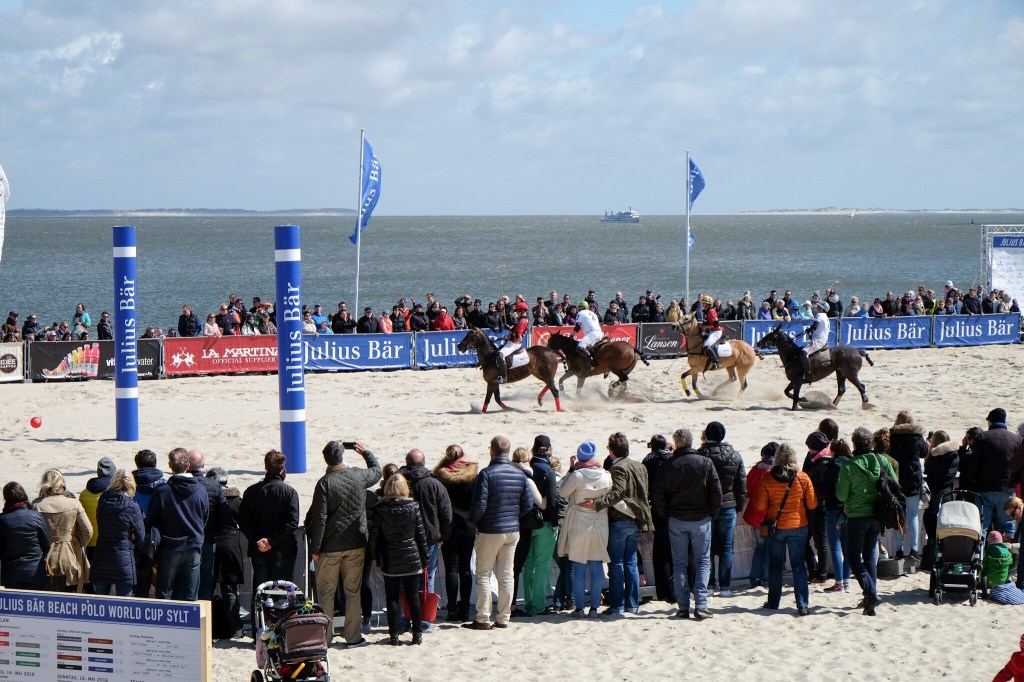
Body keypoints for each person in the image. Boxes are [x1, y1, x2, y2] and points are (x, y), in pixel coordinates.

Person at [305, 440, 381, 647]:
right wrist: (367, 453)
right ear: (342, 456)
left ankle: (325, 638)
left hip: (330, 547)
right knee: (352, 592)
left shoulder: (324, 483)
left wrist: (315, 549)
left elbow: (319, 519)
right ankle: (353, 637)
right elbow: (377, 471)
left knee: (326, 593)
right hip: (355, 544)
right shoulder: (357, 475)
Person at [463, 436, 533, 631]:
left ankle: (483, 618)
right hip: (512, 529)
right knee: (506, 575)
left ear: (492, 452)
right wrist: (512, 516)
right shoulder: (520, 474)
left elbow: (479, 506)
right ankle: (503, 618)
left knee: (484, 574)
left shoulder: (486, 474)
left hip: (490, 529)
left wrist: (474, 522)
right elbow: (527, 504)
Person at [651, 428, 722, 620]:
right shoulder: (704, 462)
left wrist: (666, 513)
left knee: (680, 564)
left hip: (678, 519)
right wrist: (711, 513)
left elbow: (657, 494)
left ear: (675, 444)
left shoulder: (668, 465)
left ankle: (683, 606)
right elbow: (716, 491)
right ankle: (700, 605)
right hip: (699, 519)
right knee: (702, 562)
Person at [578, 433, 651, 615]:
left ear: (611, 451)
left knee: (617, 563)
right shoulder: (640, 466)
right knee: (631, 562)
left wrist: (597, 504)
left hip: (620, 520)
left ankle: (618, 605)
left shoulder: (618, 468)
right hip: (637, 520)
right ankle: (632, 604)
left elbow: (617, 493)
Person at [836, 426, 897, 616]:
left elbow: (840, 495)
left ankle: (870, 593)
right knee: (870, 555)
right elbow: (895, 484)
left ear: (854, 444)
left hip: (856, 516)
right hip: (877, 514)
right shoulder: (881, 460)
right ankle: (871, 596)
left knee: (854, 558)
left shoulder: (848, 466)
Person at [753, 443, 818, 615]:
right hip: (798, 526)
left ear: (777, 458)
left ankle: (774, 602)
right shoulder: (802, 477)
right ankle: (802, 604)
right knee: (798, 566)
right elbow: (812, 503)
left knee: (775, 565)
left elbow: (760, 506)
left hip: (777, 526)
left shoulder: (767, 478)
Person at [369, 474, 429, 646]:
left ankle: (394, 635)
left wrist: (373, 555)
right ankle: (417, 634)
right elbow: (420, 535)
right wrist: (424, 559)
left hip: (390, 557)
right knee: (413, 597)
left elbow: (375, 536)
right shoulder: (413, 506)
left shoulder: (380, 509)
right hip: (411, 557)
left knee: (392, 598)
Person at [556, 441, 612, 617]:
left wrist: (572, 469)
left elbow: (562, 493)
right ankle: (594, 608)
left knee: (579, 567)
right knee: (596, 569)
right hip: (599, 523)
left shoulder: (578, 475)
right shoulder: (605, 475)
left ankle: (580, 608)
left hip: (579, 523)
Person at [148, 448, 208, 601]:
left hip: (170, 547)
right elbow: (204, 517)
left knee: (164, 595)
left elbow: (152, 519)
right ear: (188, 466)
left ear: (170, 465)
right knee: (190, 597)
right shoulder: (200, 490)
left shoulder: (162, 491)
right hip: (192, 546)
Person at [698, 421, 745, 597]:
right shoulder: (734, 455)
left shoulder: (701, 455)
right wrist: (739, 506)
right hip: (728, 506)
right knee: (726, 548)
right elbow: (741, 484)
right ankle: (725, 587)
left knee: (707, 548)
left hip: (707, 507)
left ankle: (710, 585)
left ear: (707, 435)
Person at [433, 444, 478, 622]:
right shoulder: (473, 477)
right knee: (465, 568)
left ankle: (452, 609)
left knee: (451, 568)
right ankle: (465, 609)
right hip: (468, 526)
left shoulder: (440, 478)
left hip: (449, 526)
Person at [398, 449, 452, 596]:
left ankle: (405, 615)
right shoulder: (434, 483)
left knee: (404, 577)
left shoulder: (397, 482)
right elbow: (446, 514)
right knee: (427, 576)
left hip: (403, 538)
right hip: (429, 538)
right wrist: (443, 537)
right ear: (424, 463)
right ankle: (424, 616)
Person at [960, 408, 1020, 537]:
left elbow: (973, 464)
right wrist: (1014, 482)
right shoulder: (1015, 439)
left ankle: (980, 555)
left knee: (982, 527)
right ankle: (1007, 555)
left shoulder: (982, 437)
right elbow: (1019, 465)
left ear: (990, 421)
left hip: (984, 489)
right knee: (1008, 526)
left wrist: (971, 480)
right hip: (1007, 489)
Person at [519, 435, 560, 617]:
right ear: (549, 449)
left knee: (528, 565)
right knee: (541, 566)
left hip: (526, 523)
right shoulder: (547, 471)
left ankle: (528, 603)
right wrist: (554, 523)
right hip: (543, 524)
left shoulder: (525, 469)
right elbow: (552, 500)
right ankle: (537, 606)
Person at [34, 469, 92, 592]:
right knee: (71, 599)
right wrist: (77, 544)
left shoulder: (36, 505)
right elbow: (88, 531)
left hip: (44, 556)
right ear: (62, 483)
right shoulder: (73, 503)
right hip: (69, 554)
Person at [91, 470, 145, 597]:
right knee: (124, 605)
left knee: (100, 605)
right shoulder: (132, 507)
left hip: (101, 556)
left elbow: (102, 525)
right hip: (123, 558)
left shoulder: (102, 501)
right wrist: (131, 536)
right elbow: (141, 537)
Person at [208, 468, 244, 638]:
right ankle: (235, 629)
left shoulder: (208, 499)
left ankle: (207, 627)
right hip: (231, 544)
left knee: (206, 588)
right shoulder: (237, 501)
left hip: (210, 543)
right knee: (229, 588)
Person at [889, 411, 928, 564]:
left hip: (896, 480)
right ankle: (914, 550)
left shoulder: (892, 437)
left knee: (898, 516)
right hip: (913, 480)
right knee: (912, 516)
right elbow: (924, 453)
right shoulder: (917, 436)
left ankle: (898, 550)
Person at [188, 449, 227, 601]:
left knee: (187, 586)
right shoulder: (213, 485)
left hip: (186, 541)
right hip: (207, 539)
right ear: (203, 465)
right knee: (205, 584)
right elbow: (224, 515)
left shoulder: (178, 484)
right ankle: (205, 622)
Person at [642, 434, 676, 601]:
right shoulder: (673, 458)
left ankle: (664, 591)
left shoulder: (648, 460)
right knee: (678, 550)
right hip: (676, 509)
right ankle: (680, 589)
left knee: (660, 550)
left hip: (657, 509)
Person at [921, 430, 959, 571]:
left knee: (930, 524)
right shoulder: (954, 455)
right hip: (947, 493)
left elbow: (929, 473)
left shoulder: (932, 457)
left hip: (934, 493)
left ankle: (930, 557)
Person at [0, 482, 50, 590]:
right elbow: (47, 546)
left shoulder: (2, 519)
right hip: (35, 572)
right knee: (35, 604)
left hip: (10, 573)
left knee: (14, 606)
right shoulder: (35, 516)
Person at [742, 442, 778, 589]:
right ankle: (766, 579)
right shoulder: (778, 472)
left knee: (760, 547)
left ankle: (755, 579)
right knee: (770, 548)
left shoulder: (755, 470)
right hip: (771, 516)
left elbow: (748, 491)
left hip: (757, 515)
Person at [821, 439, 854, 592]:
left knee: (835, 545)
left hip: (834, 508)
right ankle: (847, 581)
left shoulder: (833, 465)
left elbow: (826, 488)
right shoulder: (852, 464)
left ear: (833, 451)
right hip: (850, 509)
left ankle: (839, 582)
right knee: (848, 546)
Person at [79, 456, 116, 575]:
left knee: (91, 576)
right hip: (107, 541)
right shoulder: (114, 493)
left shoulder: (84, 494)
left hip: (89, 541)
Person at [802, 431, 831, 583]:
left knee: (820, 541)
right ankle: (814, 571)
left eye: (811, 447)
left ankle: (821, 574)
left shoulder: (823, 463)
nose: (809, 450)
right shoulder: (818, 460)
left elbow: (819, 488)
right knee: (808, 540)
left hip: (819, 507)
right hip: (816, 506)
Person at [496, 301, 530, 384]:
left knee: (500, 355)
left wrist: (507, 337)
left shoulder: (522, 321)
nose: (516, 313)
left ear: (522, 311)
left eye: (517, 311)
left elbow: (518, 335)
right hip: (512, 341)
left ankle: (504, 378)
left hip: (514, 343)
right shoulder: (521, 320)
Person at [799, 300, 830, 380]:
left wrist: (809, 329)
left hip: (818, 340)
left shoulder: (820, 315)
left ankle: (808, 374)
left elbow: (815, 325)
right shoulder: (825, 316)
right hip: (822, 339)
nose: (817, 307)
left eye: (818, 307)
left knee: (804, 353)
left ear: (822, 309)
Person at [572, 300, 603, 369]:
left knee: (580, 347)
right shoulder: (593, 313)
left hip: (592, 333)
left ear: (580, 308)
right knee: (591, 349)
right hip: (600, 333)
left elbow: (577, 327)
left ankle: (591, 363)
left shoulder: (580, 313)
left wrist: (571, 336)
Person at [699, 295, 722, 369]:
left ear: (708, 304)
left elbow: (715, 325)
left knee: (706, 345)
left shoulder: (711, 312)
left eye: (704, 303)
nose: (702, 304)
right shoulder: (706, 311)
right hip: (711, 331)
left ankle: (716, 362)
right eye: (702, 303)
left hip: (716, 332)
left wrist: (705, 327)